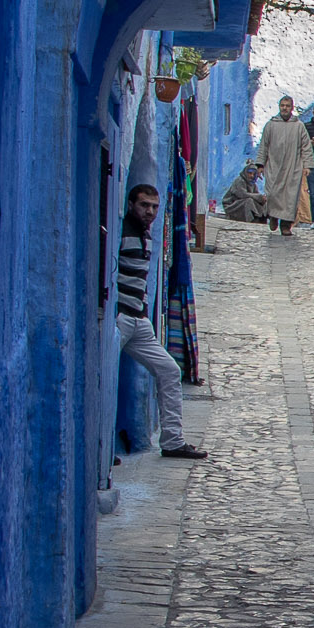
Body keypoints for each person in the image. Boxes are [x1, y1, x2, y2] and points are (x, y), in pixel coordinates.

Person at [115, 182, 206, 462]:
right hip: (119, 318)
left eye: (154, 207)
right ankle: (100, 449)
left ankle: (173, 441)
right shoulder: (121, 231)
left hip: (139, 321)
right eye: (144, 205)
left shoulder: (147, 235)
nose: (150, 212)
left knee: (168, 370)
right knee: (102, 378)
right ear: (131, 205)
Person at [255, 95, 311, 236]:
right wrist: (260, 164)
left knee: (290, 198)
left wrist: (307, 165)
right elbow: (264, 145)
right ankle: (273, 216)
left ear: (292, 108)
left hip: (293, 167)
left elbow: (306, 146)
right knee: (273, 193)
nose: (284, 108)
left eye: (287, 106)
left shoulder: (299, 126)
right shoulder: (271, 125)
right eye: (282, 105)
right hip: (274, 166)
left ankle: (286, 226)